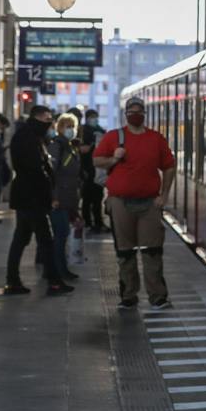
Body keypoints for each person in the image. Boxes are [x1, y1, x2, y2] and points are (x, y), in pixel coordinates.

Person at [93, 96, 176, 309]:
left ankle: (158, 296)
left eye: (138, 111)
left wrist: (164, 195)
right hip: (120, 202)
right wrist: (114, 159)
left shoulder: (156, 138)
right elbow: (96, 160)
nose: (135, 115)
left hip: (149, 203)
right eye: (131, 111)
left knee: (153, 250)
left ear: (144, 114)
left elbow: (168, 166)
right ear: (125, 114)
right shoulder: (113, 137)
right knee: (125, 251)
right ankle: (128, 296)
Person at [4, 103, 72, 296]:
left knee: (21, 238)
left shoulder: (31, 136)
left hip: (27, 195)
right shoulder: (28, 138)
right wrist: (48, 191)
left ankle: (13, 280)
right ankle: (54, 281)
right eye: (47, 119)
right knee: (46, 239)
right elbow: (34, 169)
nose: (49, 123)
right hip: (31, 196)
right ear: (37, 118)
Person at [47, 111, 82, 282]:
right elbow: (52, 173)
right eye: (68, 126)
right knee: (60, 235)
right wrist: (54, 197)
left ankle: (60, 269)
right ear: (60, 128)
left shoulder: (69, 145)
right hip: (59, 198)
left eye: (73, 127)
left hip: (68, 197)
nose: (71, 130)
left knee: (63, 234)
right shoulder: (57, 145)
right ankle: (58, 271)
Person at [78, 112, 108, 233]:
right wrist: (92, 144)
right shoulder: (83, 131)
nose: (94, 120)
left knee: (97, 197)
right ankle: (87, 222)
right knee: (87, 198)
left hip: (98, 169)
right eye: (92, 118)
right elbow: (82, 150)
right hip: (87, 169)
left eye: (96, 117)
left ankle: (98, 222)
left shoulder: (100, 130)